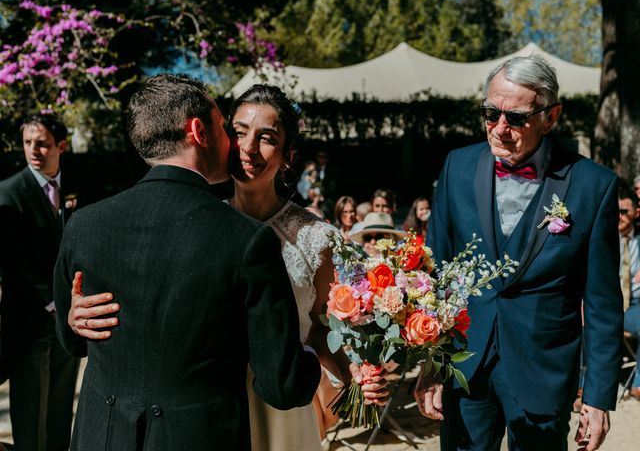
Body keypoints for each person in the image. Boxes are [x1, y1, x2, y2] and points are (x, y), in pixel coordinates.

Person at [64, 83, 387, 450]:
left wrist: (354, 369)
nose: (249, 148)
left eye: (266, 137)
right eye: (237, 132)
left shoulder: (316, 238)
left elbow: (323, 329)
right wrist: (76, 318)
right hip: (205, 408)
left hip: (280, 403)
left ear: (287, 154)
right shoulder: (196, 221)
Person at [414, 54, 623, 451]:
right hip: (464, 365)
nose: (500, 129)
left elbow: (602, 304)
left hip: (543, 372)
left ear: (551, 116)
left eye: (517, 118)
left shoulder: (594, 186)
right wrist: (431, 365)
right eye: (491, 114)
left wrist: (596, 397)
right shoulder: (456, 167)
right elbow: (434, 276)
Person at [0, 114, 80, 451]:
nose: (34, 149)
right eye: (28, 142)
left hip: (69, 321)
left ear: (61, 146)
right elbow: (10, 264)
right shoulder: (8, 192)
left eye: (42, 143)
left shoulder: (76, 185)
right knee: (31, 415)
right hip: (30, 322)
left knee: (61, 413)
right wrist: (51, 302)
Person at [618, 187, 640, 399]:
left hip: (634, 307)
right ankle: (582, 387)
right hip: (605, 306)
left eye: (624, 212)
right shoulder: (602, 238)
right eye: (616, 211)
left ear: (636, 213)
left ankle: (639, 383)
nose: (619, 216)